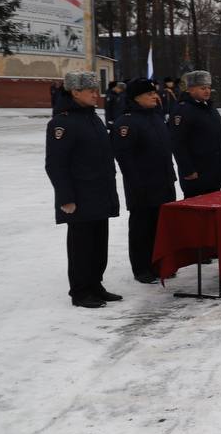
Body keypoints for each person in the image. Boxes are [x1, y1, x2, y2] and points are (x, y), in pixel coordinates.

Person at [46, 71, 121, 308]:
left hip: (100, 192)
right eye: (91, 91)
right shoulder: (62, 123)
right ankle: (80, 291)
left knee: (99, 243)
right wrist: (66, 197)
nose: (96, 95)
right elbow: (56, 165)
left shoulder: (92, 118)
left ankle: (95, 284)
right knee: (81, 246)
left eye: (96, 90)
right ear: (75, 92)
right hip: (80, 195)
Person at [111, 78, 177, 285]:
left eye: (154, 93)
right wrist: (135, 184)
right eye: (149, 94)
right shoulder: (126, 122)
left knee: (160, 227)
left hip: (164, 182)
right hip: (142, 185)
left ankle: (158, 263)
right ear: (136, 98)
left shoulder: (156, 117)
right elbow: (124, 158)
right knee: (142, 228)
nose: (155, 96)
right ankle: (142, 268)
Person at [169, 70, 221, 198]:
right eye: (202, 88)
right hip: (197, 176)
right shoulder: (183, 110)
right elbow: (178, 143)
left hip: (214, 172)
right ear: (190, 89)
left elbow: (219, 139)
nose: (207, 91)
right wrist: (188, 170)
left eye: (209, 87)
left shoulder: (209, 108)